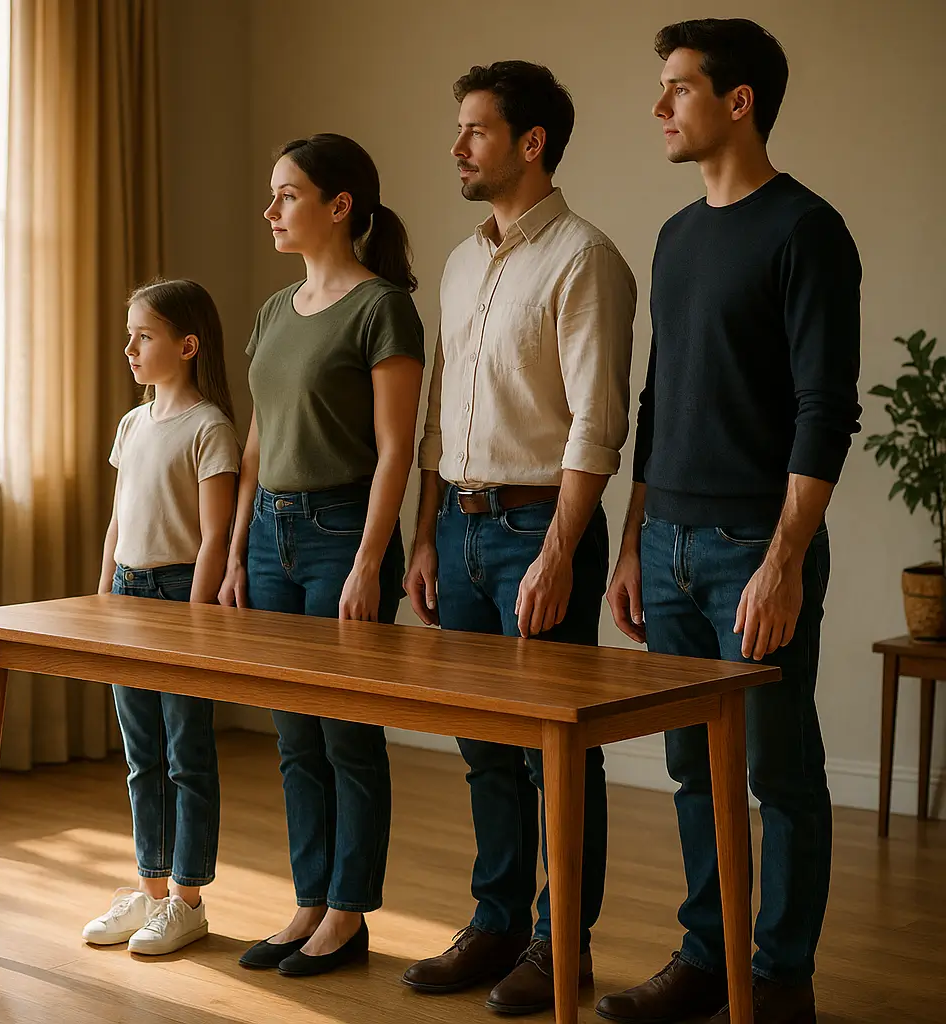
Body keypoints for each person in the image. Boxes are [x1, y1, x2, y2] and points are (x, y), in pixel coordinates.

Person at [598, 19, 861, 1024]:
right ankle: (706, 957)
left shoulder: (805, 230)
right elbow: (659, 401)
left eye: (676, 87)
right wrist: (631, 542)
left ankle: (780, 977)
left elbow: (823, 407)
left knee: (777, 768)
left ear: (737, 100)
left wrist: (785, 559)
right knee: (687, 768)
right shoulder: (674, 236)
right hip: (664, 548)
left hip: (758, 546)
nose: (658, 107)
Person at [401, 62, 636, 1016]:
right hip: (454, 531)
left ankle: (560, 946)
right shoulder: (461, 264)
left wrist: (558, 552)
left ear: (530, 143)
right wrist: (421, 538)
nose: (458, 147)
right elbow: (434, 415)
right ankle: (495, 922)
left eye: (476, 131)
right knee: (484, 748)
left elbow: (596, 423)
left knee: (555, 752)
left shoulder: (586, 259)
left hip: (540, 526)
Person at [220, 134, 425, 978]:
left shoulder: (384, 309)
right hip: (269, 535)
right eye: (273, 196)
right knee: (293, 736)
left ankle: (349, 912)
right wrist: (236, 551)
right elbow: (259, 441)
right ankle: (307, 902)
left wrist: (370, 561)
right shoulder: (273, 310)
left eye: (287, 195)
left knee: (347, 735)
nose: (271, 211)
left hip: (345, 531)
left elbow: (395, 449)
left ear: (340, 206)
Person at [82, 278, 241, 955]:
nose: (129, 348)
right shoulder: (132, 423)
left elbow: (213, 535)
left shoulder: (209, 427)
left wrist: (197, 618)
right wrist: (102, 596)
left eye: (142, 336)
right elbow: (120, 521)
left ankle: (187, 900)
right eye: (130, 334)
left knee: (186, 754)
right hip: (126, 593)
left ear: (187, 344)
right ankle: (149, 892)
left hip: (180, 595)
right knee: (140, 753)